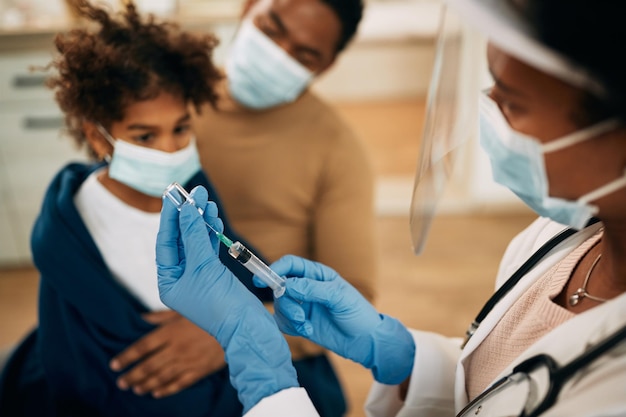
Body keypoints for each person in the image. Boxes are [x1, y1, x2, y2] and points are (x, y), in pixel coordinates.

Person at [154, 0, 626, 415]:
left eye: (514, 104)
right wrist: (404, 358)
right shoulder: (551, 241)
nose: (487, 109)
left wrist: (263, 372)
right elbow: (496, 387)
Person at [0, 1, 336, 415]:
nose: (170, 150)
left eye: (180, 128)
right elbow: (94, 357)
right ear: (100, 138)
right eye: (144, 137)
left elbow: (232, 269)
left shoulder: (191, 186)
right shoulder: (72, 231)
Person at [191, 0, 378, 414]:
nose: (277, 53)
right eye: (271, 29)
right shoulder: (171, 103)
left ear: (324, 67)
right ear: (246, 10)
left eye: (304, 54)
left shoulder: (336, 148)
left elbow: (351, 298)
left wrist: (235, 334)